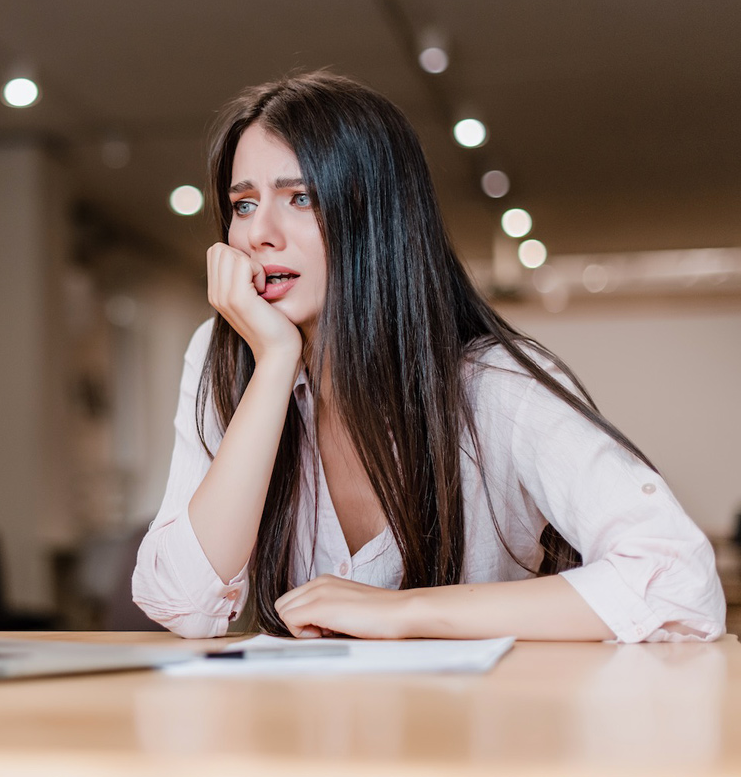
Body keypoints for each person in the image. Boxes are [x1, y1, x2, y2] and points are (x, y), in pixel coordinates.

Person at [131, 71, 726, 642]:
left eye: (301, 197)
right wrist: (276, 361)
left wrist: (407, 611)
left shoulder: (494, 384)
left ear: (377, 217)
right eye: (242, 204)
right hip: (302, 738)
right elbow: (183, 604)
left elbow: (680, 581)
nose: (260, 233)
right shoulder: (226, 355)